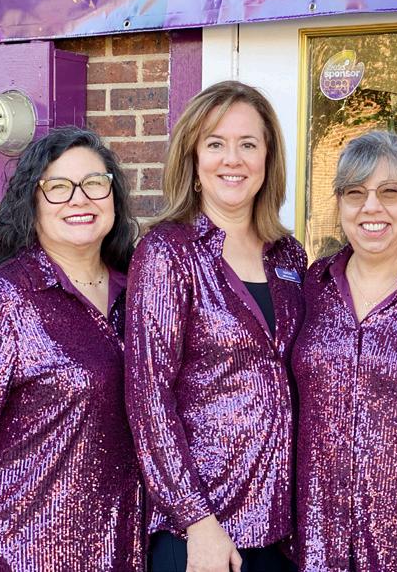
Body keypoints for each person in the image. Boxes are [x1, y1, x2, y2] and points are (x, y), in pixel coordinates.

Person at [125, 81, 305, 572]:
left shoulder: (288, 256)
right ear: (194, 158)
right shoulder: (168, 252)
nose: (233, 159)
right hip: (202, 530)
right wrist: (196, 519)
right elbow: (148, 398)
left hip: (280, 526)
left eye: (248, 144)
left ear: (267, 158)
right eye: (215, 144)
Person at [0, 127, 142, 570]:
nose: (80, 199)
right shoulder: (3, 300)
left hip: (125, 553)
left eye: (95, 183)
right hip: (21, 555)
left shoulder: (141, 293)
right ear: (33, 202)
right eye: (58, 187)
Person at [292, 131, 397, 571]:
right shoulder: (313, 286)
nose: (371, 207)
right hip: (318, 540)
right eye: (355, 193)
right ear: (339, 202)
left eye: (389, 192)